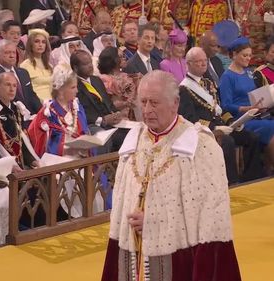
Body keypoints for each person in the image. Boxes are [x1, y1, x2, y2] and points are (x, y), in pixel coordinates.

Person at [101, 70, 242, 281]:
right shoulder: (133, 141)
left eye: (154, 103)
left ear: (175, 103)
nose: (147, 110)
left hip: (179, 262)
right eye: (143, 102)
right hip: (133, 258)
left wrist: (153, 220)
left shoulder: (201, 146)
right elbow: (120, 211)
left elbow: (211, 221)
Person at [179, 47, 265, 183]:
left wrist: (232, 122)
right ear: (188, 64)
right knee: (227, 142)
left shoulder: (209, 83)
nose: (203, 64)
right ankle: (231, 182)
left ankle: (251, 178)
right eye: (198, 62)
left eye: (204, 61)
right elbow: (190, 119)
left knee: (252, 137)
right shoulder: (183, 89)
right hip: (204, 130)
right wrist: (214, 129)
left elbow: (218, 108)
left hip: (221, 125)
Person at [219, 37, 274, 170]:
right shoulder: (227, 76)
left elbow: (254, 96)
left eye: (249, 55)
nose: (248, 58)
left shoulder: (248, 72)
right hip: (241, 120)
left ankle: (268, 165)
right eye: (244, 55)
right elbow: (225, 105)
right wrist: (246, 108)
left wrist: (262, 104)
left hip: (255, 114)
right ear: (234, 55)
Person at [0, 72, 40, 170]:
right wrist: (7, 166)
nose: (12, 89)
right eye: (8, 84)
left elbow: (23, 142)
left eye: (14, 85)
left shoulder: (18, 109)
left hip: (21, 167)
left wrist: (32, 160)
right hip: (0, 167)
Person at [72, 50, 127, 153]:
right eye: (85, 64)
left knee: (131, 132)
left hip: (110, 121)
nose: (90, 66)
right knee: (103, 138)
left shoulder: (96, 80)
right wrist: (102, 120)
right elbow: (78, 113)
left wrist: (116, 113)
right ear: (75, 68)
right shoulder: (73, 85)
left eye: (90, 62)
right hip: (91, 124)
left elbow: (108, 103)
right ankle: (102, 168)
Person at [27, 68, 89, 157]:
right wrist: (67, 150)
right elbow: (42, 144)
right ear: (60, 90)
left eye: (76, 87)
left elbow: (84, 131)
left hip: (80, 157)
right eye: (73, 87)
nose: (77, 91)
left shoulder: (77, 107)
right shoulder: (47, 113)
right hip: (60, 162)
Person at [0, 40, 42, 117]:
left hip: (33, 117)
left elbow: (32, 96)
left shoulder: (23, 72)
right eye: (7, 53)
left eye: (13, 52)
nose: (12, 56)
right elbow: (4, 104)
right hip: (15, 118)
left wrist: (42, 114)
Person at [98, 47, 139, 120]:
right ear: (112, 60)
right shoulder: (105, 80)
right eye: (121, 56)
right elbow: (110, 105)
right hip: (119, 120)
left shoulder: (127, 75)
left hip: (134, 116)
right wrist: (128, 102)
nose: (125, 58)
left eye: (124, 55)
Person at [20, 29, 53, 101]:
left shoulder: (49, 66)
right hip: (36, 104)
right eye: (37, 41)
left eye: (43, 42)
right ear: (31, 44)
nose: (40, 45)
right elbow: (25, 91)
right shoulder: (25, 65)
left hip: (52, 102)